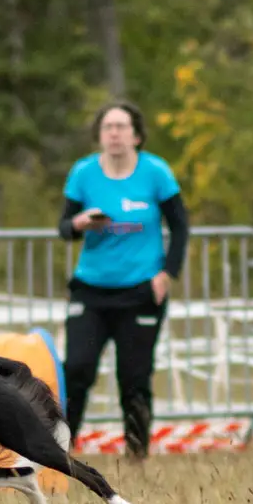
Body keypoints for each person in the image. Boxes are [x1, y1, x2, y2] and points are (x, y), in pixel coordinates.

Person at [57, 101, 189, 459]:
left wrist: (167, 274)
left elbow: (179, 225)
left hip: (140, 291)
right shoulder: (84, 173)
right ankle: (62, 454)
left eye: (121, 127)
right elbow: (64, 228)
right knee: (77, 369)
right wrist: (81, 223)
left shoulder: (155, 172)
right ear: (100, 135)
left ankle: (136, 455)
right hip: (91, 289)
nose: (114, 133)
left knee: (134, 376)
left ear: (136, 135)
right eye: (107, 127)